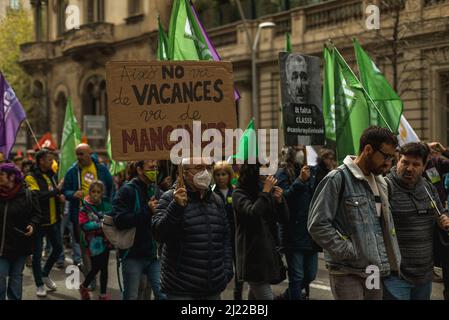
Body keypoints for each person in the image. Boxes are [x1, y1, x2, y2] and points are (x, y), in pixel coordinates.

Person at [308, 126, 401, 300]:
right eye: (386, 156)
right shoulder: (337, 178)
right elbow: (317, 224)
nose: (388, 163)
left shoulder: (381, 182)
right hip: (347, 272)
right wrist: (349, 251)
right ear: (368, 150)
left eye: (392, 158)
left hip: (374, 270)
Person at [152, 157, 233, 300]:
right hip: (181, 288)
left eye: (208, 168)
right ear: (184, 172)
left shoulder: (216, 200)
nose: (205, 173)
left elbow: (225, 237)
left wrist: (226, 270)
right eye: (199, 168)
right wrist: (176, 207)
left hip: (212, 286)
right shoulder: (170, 198)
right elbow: (159, 234)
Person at [383, 142, 449, 300]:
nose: (409, 168)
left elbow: (441, 211)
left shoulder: (427, 187)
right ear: (397, 160)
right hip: (395, 276)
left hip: (424, 275)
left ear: (424, 165)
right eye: (405, 162)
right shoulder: (385, 187)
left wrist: (444, 218)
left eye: (416, 164)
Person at [232, 162, 289, 300]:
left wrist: (280, 201)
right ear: (254, 173)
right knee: (264, 293)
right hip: (252, 255)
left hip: (267, 253)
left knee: (254, 293)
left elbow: (284, 219)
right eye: (264, 171)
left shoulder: (265, 192)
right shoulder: (239, 193)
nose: (269, 175)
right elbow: (253, 214)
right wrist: (265, 192)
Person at [113, 160, 166, 300]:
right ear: (140, 170)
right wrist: (147, 211)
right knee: (132, 295)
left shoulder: (156, 190)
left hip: (154, 255)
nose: (155, 171)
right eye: (151, 168)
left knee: (162, 294)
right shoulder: (127, 190)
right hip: (132, 255)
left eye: (156, 168)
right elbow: (119, 220)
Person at [63, 143, 113, 289]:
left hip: (100, 215)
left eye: (81, 153)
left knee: (102, 247)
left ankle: (98, 274)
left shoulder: (101, 169)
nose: (79, 157)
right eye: (77, 154)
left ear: (89, 153)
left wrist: (107, 205)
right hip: (81, 216)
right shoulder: (72, 171)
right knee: (85, 248)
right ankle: (91, 280)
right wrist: (73, 194)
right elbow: (65, 190)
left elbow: (111, 187)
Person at [275, 147, 318, 300]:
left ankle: (286, 296)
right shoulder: (283, 172)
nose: (301, 151)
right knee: (297, 276)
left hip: (309, 233)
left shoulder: (307, 170)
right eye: (298, 149)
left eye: (302, 148)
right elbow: (282, 198)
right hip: (293, 232)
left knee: (310, 275)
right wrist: (300, 181)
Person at [25, 149, 64, 298]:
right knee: (36, 255)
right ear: (41, 161)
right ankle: (39, 285)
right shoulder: (30, 177)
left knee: (58, 249)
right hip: (38, 222)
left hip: (54, 221)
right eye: (49, 159)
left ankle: (45, 274)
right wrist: (56, 191)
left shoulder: (51, 175)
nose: (52, 162)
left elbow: (53, 193)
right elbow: (36, 197)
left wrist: (59, 197)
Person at [0, 163, 41, 300]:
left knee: (16, 278)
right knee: (0, 278)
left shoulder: (28, 194)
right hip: (1, 247)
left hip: (20, 245)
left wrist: (32, 225)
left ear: (12, 177)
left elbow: (37, 215)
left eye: (1, 174)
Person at [212, 160, 243, 300]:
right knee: (220, 267)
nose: (220, 177)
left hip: (235, 235)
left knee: (239, 269)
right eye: (217, 174)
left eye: (223, 174)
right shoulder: (211, 193)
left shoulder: (235, 191)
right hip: (218, 237)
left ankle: (238, 295)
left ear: (229, 175)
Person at [78, 181, 112, 300]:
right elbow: (84, 225)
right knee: (96, 267)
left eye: (98, 192)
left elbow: (111, 218)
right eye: (93, 191)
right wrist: (100, 224)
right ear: (89, 192)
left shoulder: (106, 205)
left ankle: (102, 294)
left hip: (105, 241)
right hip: (92, 243)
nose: (95, 194)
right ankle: (84, 286)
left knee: (104, 268)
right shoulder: (85, 207)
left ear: (102, 193)